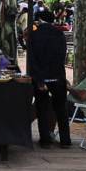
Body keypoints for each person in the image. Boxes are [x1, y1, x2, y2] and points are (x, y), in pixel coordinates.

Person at [28, 8, 71, 148]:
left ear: (39, 20)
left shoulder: (35, 35)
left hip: (42, 77)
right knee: (61, 109)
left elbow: (33, 60)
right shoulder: (59, 34)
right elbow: (62, 57)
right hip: (58, 76)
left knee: (42, 108)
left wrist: (40, 79)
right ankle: (65, 141)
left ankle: (45, 140)